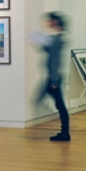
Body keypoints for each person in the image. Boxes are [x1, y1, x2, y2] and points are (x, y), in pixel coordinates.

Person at [36, 12, 70, 142]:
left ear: (55, 22)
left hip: (53, 77)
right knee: (58, 104)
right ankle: (64, 132)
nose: (47, 23)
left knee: (59, 105)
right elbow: (51, 52)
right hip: (53, 76)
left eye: (50, 21)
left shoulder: (56, 39)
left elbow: (54, 60)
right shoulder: (58, 38)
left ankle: (65, 133)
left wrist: (54, 80)